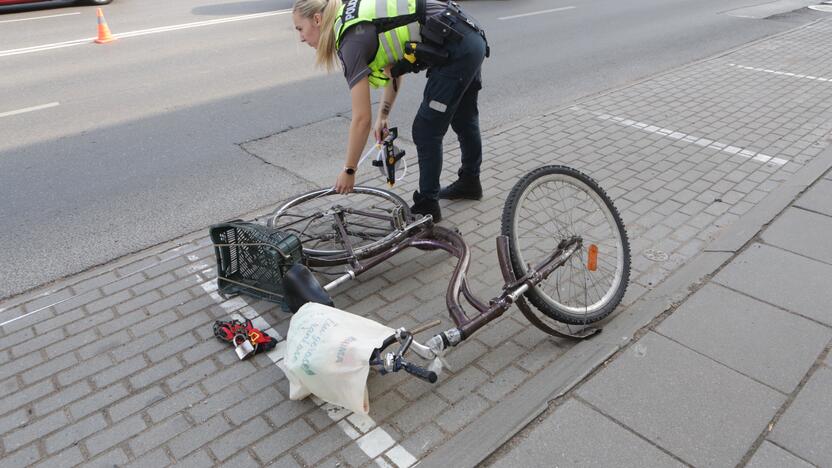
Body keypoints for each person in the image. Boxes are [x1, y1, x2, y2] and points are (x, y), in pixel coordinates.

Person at [292, 0, 488, 222]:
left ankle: (427, 206)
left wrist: (349, 170)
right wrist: (384, 115)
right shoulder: (355, 19)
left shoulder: (349, 40)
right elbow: (393, 71)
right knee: (464, 118)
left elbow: (361, 119)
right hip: (467, 36)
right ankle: (470, 182)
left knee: (426, 131)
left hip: (458, 50)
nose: (300, 37)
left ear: (317, 20)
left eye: (300, 28)